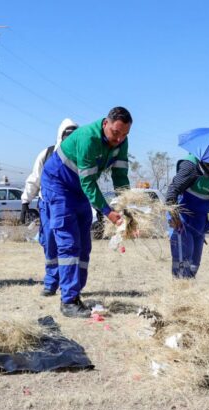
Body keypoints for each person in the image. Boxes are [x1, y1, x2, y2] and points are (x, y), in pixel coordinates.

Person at [40, 107, 132, 317]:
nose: (119, 139)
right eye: (116, 133)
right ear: (105, 124)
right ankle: (68, 301)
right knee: (68, 241)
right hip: (59, 184)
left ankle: (75, 292)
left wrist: (124, 206)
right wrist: (108, 212)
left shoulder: (122, 142)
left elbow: (120, 176)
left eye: (125, 134)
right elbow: (89, 182)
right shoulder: (88, 139)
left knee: (84, 242)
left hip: (80, 187)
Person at [21, 119, 79, 296]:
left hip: (71, 206)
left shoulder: (81, 155)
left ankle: (68, 285)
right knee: (50, 242)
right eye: (67, 136)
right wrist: (25, 202)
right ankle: (51, 282)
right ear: (61, 136)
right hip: (48, 206)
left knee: (69, 245)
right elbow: (35, 178)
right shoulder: (47, 154)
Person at [165, 154, 209, 278]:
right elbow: (171, 193)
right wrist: (174, 217)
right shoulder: (190, 166)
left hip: (200, 223)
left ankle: (190, 283)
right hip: (182, 221)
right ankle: (180, 286)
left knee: (194, 263)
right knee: (183, 259)